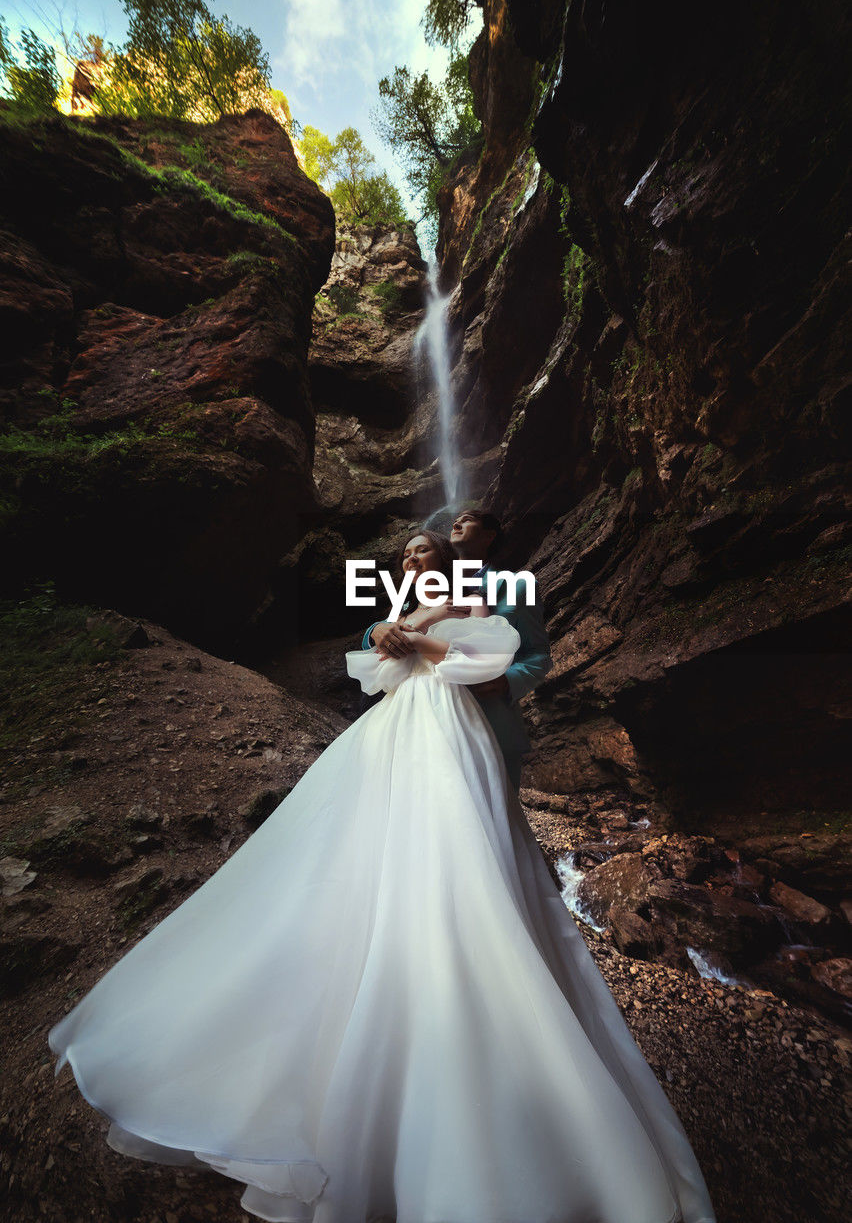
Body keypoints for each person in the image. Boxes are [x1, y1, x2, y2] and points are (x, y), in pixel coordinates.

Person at [47, 528, 717, 1223]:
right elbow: (374, 670)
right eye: (406, 553)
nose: (413, 557)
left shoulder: (478, 597)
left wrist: (421, 645)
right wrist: (396, 642)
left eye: (425, 549)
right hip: (396, 730)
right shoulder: (394, 610)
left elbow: (492, 667)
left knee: (462, 846)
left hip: (457, 726)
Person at [362, 508, 552, 791]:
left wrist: (507, 680)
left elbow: (536, 653)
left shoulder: (513, 585)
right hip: (414, 723)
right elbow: (395, 628)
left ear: (490, 536)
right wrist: (373, 631)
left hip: (487, 718)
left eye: (469, 519)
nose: (457, 522)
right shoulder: (410, 601)